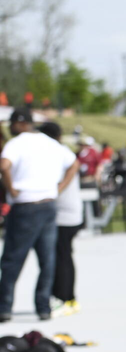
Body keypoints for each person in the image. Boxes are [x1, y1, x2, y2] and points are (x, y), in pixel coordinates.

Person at [0, 109, 78, 322]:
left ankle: (4, 307)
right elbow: (74, 164)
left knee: (12, 260)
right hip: (48, 204)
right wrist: (59, 188)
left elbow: (4, 166)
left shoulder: (16, 144)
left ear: (20, 123)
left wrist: (11, 191)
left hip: (25, 205)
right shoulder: (50, 143)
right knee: (47, 259)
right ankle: (43, 307)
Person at [38, 123, 83, 316]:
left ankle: (66, 298)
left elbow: (61, 176)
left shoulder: (56, 152)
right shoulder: (60, 151)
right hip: (68, 213)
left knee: (62, 257)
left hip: (64, 214)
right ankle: (67, 298)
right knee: (63, 256)